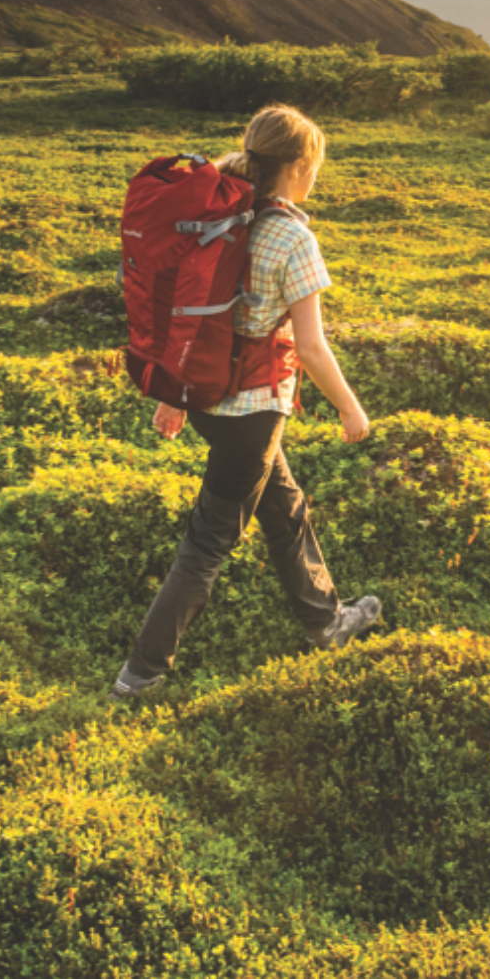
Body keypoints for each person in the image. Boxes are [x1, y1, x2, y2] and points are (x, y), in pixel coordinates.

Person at [111, 104, 380, 700]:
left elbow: (188, 312)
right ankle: (140, 675)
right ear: (302, 166)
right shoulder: (292, 236)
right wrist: (349, 407)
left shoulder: (217, 214)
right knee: (208, 542)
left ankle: (325, 621)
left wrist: (174, 395)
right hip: (251, 412)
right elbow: (310, 347)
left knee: (284, 508)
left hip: (206, 400)